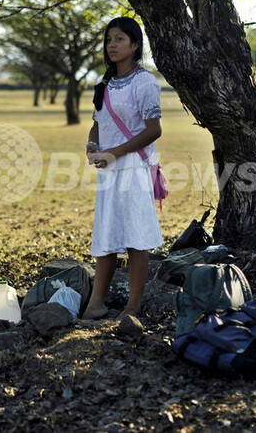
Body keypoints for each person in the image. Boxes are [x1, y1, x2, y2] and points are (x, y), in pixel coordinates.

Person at [83, 16, 164, 320]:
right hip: (108, 170)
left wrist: (115, 152)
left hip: (133, 167)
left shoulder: (145, 82)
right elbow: (97, 125)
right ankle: (95, 304)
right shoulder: (104, 83)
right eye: (109, 40)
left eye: (119, 39)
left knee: (135, 237)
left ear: (135, 45)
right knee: (106, 234)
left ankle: (133, 307)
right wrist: (92, 147)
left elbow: (154, 130)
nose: (112, 45)